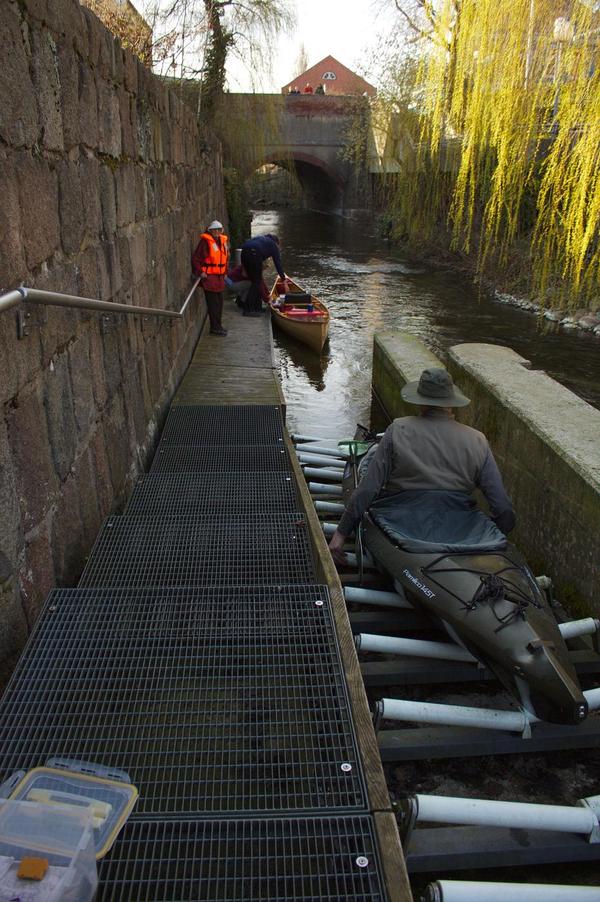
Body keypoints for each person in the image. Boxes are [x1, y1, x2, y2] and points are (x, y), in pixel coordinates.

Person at [328, 367, 516, 565]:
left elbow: (369, 488)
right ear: (451, 403)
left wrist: (341, 533)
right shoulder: (478, 440)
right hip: (459, 525)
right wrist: (492, 536)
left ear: (421, 401)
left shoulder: (398, 430)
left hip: (401, 525)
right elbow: (503, 508)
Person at [191, 220, 229, 336]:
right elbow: (196, 259)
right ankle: (215, 328)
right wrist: (201, 272)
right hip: (210, 279)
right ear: (210, 231)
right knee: (213, 304)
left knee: (219, 303)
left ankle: (218, 325)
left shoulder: (222, 241)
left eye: (219, 229)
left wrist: (225, 272)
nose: (217, 232)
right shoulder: (205, 242)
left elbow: (225, 258)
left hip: (219, 278)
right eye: (215, 230)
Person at [240, 234, 290, 316]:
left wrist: (244, 268)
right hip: (254, 254)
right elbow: (278, 263)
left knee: (255, 281)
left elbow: (246, 246)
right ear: (276, 242)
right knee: (257, 282)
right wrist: (283, 278)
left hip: (244, 253)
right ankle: (248, 309)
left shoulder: (260, 239)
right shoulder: (273, 245)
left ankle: (257, 307)